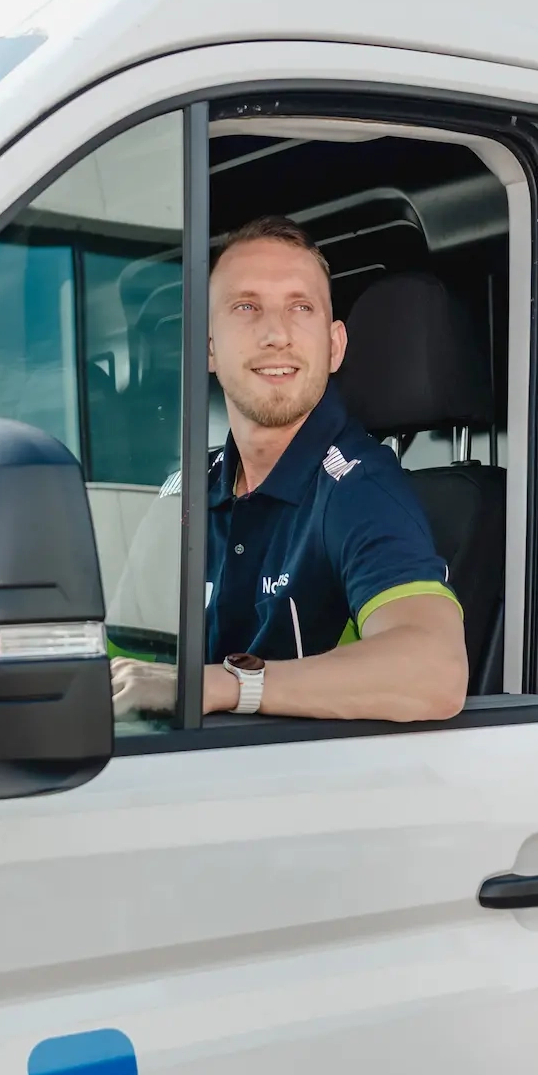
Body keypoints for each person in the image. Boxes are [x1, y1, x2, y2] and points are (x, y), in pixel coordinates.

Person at [110, 217, 468, 723]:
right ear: (208, 346)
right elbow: (120, 673)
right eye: (246, 307)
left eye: (301, 307)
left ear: (336, 345)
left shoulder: (359, 487)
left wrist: (222, 686)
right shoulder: (181, 498)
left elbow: (436, 673)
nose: (276, 333)